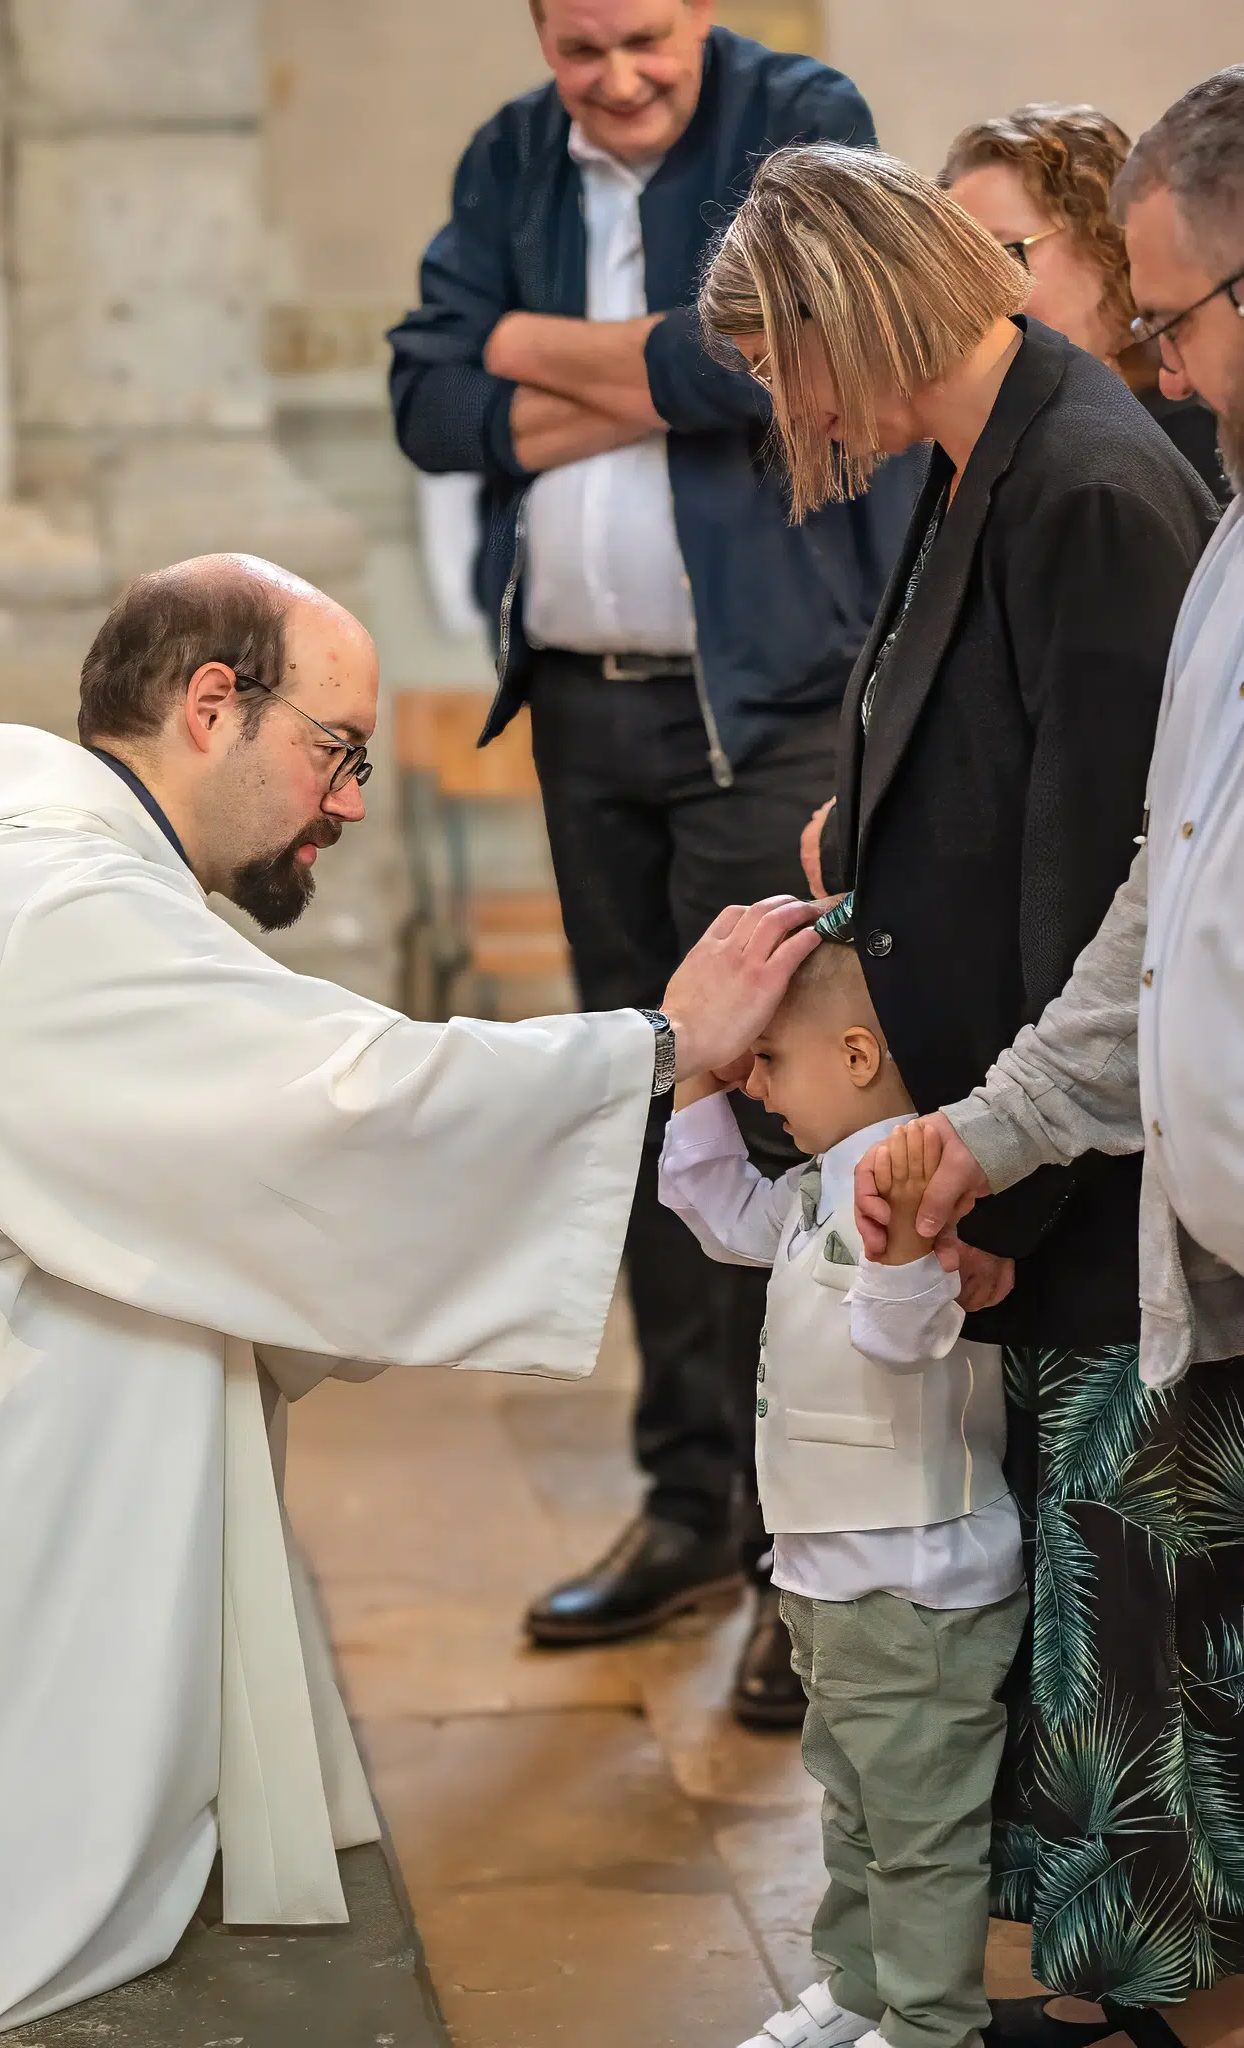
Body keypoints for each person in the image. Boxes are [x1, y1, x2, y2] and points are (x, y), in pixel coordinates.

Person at [0, 550, 823, 2037]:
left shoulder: (33, 867)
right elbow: (344, 1105)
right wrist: (659, 1045)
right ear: (211, 706)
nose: (352, 802)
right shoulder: (54, 906)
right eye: (337, 751)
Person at [700, 138, 1220, 2045]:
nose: (785, 409)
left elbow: (1111, 875)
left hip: (1086, 1169)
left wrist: (1003, 1182)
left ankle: (1141, 2006)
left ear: (843, 310)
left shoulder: (1082, 478)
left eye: (780, 361)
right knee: (1064, 1649)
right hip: (1004, 1141)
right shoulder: (976, 458)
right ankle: (1080, 1996)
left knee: (1125, 1651)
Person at [388, 0, 920, 1727]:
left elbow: (752, 364)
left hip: (764, 710)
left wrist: (527, 351)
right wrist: (638, 373)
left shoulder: (798, 109)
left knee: (782, 1108)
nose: (614, 79)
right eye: (579, 48)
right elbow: (423, 401)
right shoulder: (508, 156)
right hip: (581, 712)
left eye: (642, 40)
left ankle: (797, 1547)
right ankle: (691, 1504)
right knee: (639, 1100)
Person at [855, 66, 1244, 2048]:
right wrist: (987, 1133)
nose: (1158, 366)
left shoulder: (1103, 486)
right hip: (1180, 1211)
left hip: (1168, 1230)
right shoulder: (1221, 540)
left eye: (1175, 317)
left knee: (1163, 1660)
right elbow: (1154, 906)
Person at [660, 908, 1026, 2048]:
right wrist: (695, 1077)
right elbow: (718, 1212)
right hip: (829, 1571)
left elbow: (904, 1342)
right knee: (853, 1799)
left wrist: (907, 1249)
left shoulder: (926, 1173)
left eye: (769, 1058)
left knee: (919, 1828)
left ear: (857, 1055)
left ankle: (929, 2022)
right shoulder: (822, 1180)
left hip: (912, 1577)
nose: (759, 1084)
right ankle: (860, 1986)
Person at [941, 101, 1232, 507]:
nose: (967, 296)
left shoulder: (1192, 433)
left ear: (1107, 244)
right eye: (954, 266)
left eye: (1001, 255)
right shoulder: (1008, 446)